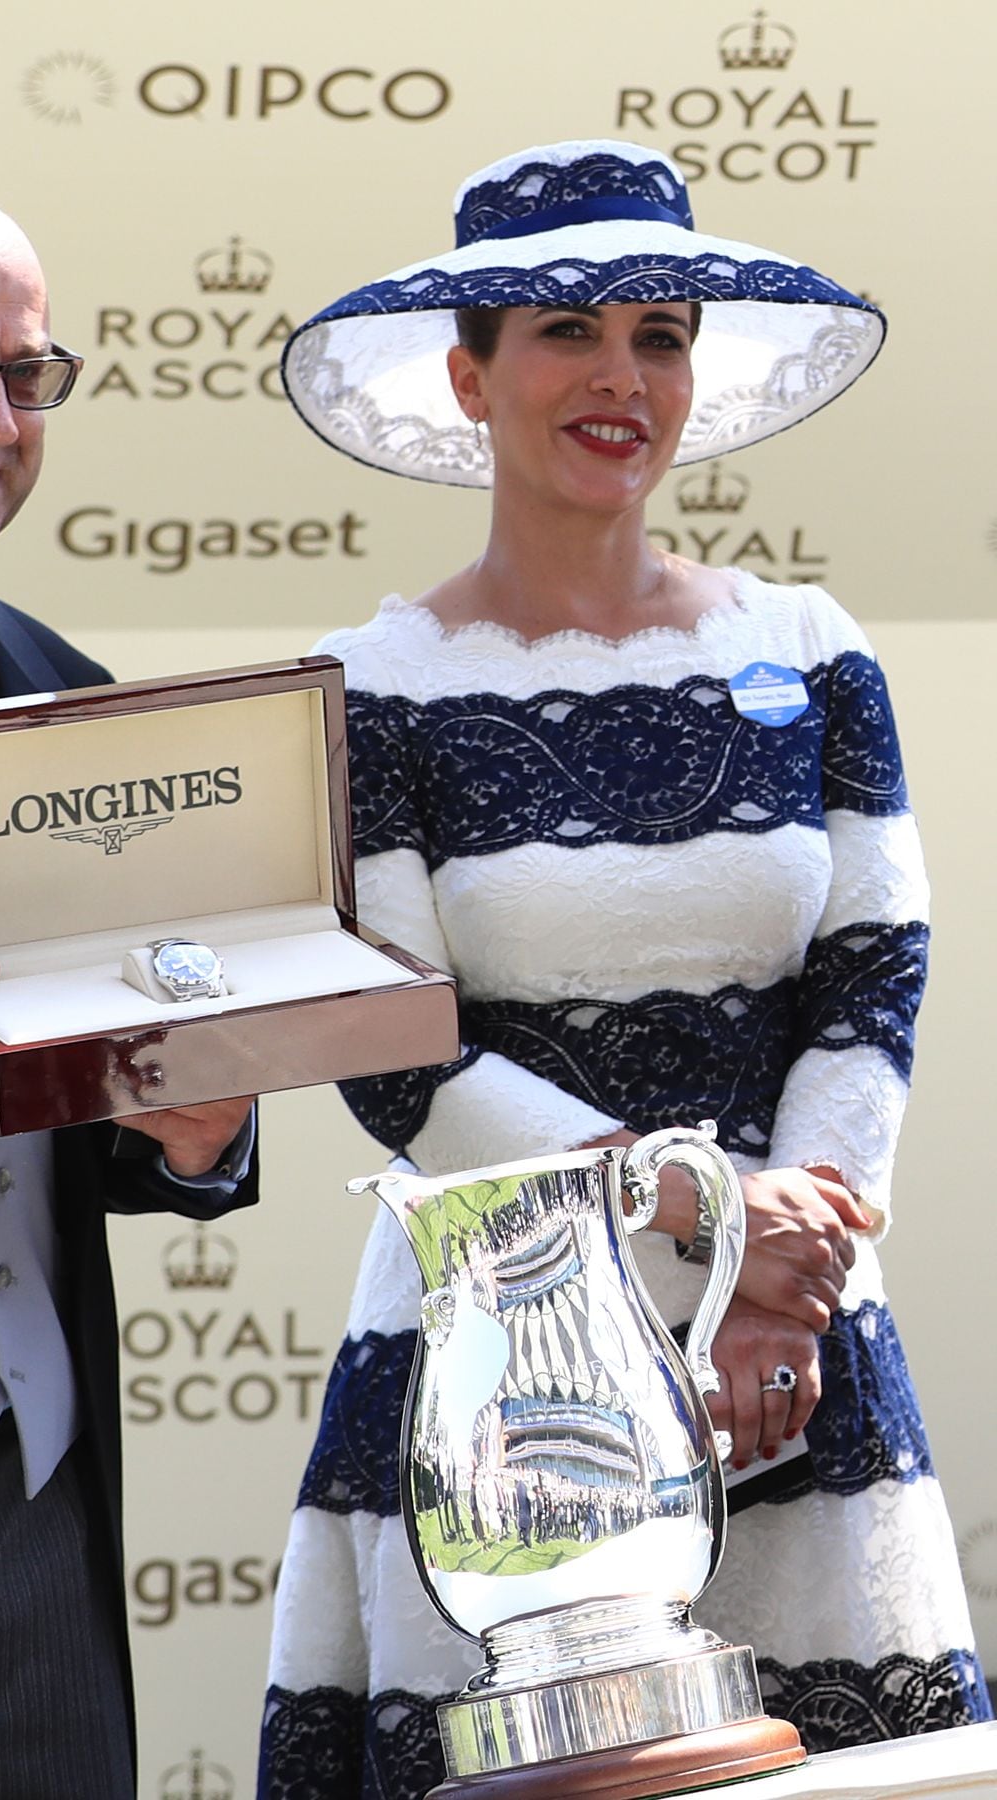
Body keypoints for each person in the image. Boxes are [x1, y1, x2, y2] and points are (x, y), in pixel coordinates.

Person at [259, 141, 990, 1798]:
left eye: (660, 334)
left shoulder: (814, 646)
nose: (620, 377)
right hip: (508, 1367)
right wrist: (710, 1219)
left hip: (792, 1335)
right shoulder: (364, 684)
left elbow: (875, 969)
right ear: (470, 376)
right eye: (566, 335)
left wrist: (782, 1263)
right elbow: (394, 1055)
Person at [0, 168, 258, 1797]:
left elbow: (81, 1115)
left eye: (27, 375)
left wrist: (188, 1125)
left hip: (33, 1511)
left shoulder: (75, 702)